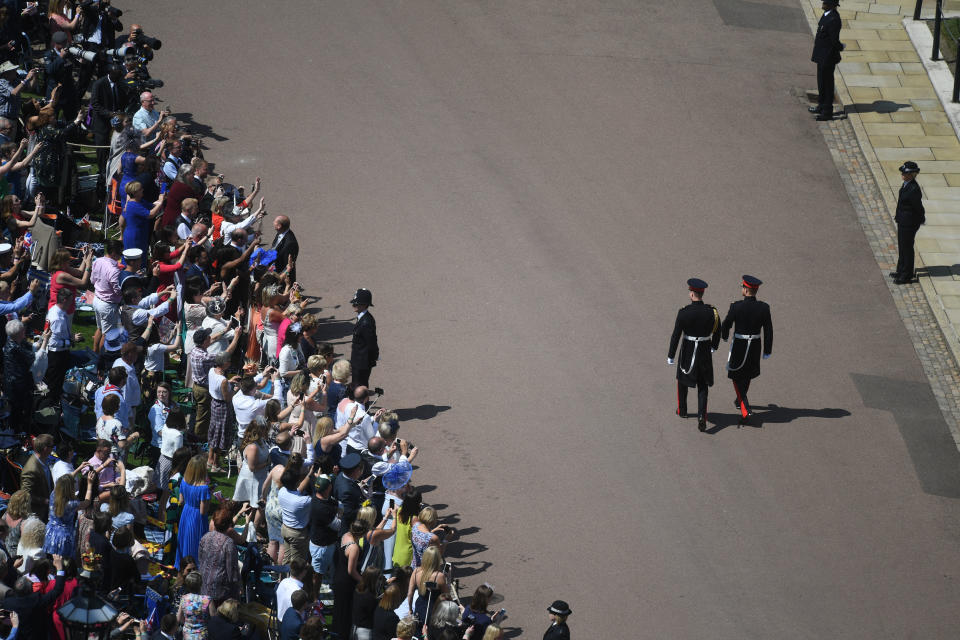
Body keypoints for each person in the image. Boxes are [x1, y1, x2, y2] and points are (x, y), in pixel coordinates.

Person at [667, 278, 721, 432]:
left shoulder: (684, 312)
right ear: (702, 293)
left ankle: (682, 410)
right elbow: (718, 331)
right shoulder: (712, 312)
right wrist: (713, 346)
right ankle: (701, 416)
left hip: (688, 351)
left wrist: (671, 355)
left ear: (692, 294)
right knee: (703, 386)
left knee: (682, 380)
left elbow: (676, 335)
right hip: (704, 351)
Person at [720, 275, 773, 423]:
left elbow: (727, 323)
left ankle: (745, 409)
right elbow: (768, 330)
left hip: (740, 345)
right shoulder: (764, 307)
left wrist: (724, 336)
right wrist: (767, 350)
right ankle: (739, 400)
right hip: (755, 345)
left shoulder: (736, 306)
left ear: (745, 289)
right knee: (748, 373)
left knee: (736, 375)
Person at [0, 553, 66, 640]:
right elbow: (57, 590)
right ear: (30, 590)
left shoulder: (6, 603)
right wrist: (60, 568)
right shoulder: (35, 601)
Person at [197, 502, 243, 603]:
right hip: (220, 590)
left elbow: (200, 558)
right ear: (228, 525)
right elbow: (232, 571)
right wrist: (239, 586)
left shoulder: (205, 537)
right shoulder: (228, 543)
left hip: (203, 584)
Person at [891, 160, 926, 285]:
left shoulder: (913, 189)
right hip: (903, 220)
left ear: (912, 175)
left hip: (909, 223)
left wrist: (921, 218)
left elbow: (918, 207)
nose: (903, 175)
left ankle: (906, 275)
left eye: (905, 173)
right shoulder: (906, 184)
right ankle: (901, 270)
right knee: (902, 246)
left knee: (907, 248)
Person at [43, 472, 94, 557]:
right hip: (64, 537)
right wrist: (89, 484)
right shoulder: (71, 504)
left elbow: (64, 481)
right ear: (70, 488)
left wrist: (79, 468)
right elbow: (87, 502)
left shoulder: (53, 494)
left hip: (50, 533)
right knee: (65, 564)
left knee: (50, 562)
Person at [809, 0, 842, 121]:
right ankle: (821, 105)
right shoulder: (827, 14)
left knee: (827, 84)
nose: (823, 4)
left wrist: (841, 47)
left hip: (828, 57)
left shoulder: (834, 19)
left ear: (832, 5)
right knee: (821, 82)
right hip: (821, 54)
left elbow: (834, 41)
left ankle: (827, 111)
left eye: (826, 2)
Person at [176, 456, 211, 569]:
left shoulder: (184, 481)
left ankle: (182, 567)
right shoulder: (204, 488)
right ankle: (194, 569)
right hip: (196, 518)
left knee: (184, 540)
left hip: (186, 514)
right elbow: (203, 511)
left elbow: (181, 501)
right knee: (194, 544)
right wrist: (208, 498)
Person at [308, 473, 340, 578]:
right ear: (329, 488)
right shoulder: (321, 508)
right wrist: (341, 512)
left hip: (323, 543)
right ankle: (315, 594)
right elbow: (338, 526)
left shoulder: (318, 496)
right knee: (317, 574)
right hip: (322, 547)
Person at [121, 181, 165, 255]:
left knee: (142, 257)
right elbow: (151, 214)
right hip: (134, 236)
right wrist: (161, 202)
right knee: (135, 258)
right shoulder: (133, 205)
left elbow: (153, 205)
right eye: (140, 189)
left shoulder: (140, 201)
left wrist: (161, 199)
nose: (142, 190)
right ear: (135, 193)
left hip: (141, 234)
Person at [407, 546, 447, 626]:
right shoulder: (439, 576)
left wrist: (410, 609)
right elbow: (447, 596)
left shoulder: (416, 571)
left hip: (419, 606)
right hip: (434, 610)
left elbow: (410, 594)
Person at [20, 434, 54, 521]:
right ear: (45, 448)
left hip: (46, 510)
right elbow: (26, 494)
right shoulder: (31, 469)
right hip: (37, 514)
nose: (53, 449)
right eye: (52, 446)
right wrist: (44, 501)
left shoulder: (43, 460)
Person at [350, 288, 379, 387]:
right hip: (358, 360)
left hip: (362, 363)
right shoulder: (361, 318)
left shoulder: (366, 322)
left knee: (360, 387)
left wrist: (373, 357)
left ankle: (362, 403)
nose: (353, 305)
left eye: (356, 303)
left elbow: (371, 343)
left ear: (364, 305)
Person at [177, 570, 215, 640]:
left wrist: (189, 624)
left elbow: (179, 618)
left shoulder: (184, 598)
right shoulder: (207, 599)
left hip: (187, 634)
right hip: (202, 634)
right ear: (201, 584)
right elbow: (214, 619)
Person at [270, 215, 299, 282]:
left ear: (279, 226)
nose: (273, 222)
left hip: (283, 278)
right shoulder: (280, 232)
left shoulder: (290, 243)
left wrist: (281, 278)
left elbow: (288, 265)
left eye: (275, 221)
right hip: (275, 270)